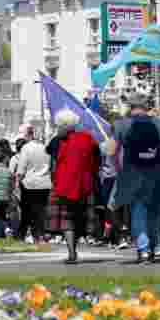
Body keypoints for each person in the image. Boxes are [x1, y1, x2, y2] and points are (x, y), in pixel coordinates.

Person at [112, 93, 160, 264]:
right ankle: (155, 246)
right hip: (156, 173)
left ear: (130, 107)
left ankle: (143, 248)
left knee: (137, 211)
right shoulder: (159, 123)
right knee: (155, 212)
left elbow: (112, 152)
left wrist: (119, 170)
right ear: (147, 105)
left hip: (132, 173)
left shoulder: (121, 125)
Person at [47, 108, 100, 264]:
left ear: (62, 126)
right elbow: (97, 160)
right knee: (78, 218)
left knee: (68, 220)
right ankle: (73, 250)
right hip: (85, 184)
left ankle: (72, 253)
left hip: (63, 185)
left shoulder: (57, 141)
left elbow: (51, 158)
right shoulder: (88, 139)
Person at [14, 125, 51, 245]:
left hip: (29, 183)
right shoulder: (45, 147)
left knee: (27, 211)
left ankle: (22, 235)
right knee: (41, 211)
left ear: (28, 135)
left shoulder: (26, 148)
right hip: (44, 183)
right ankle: (40, 235)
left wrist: (16, 182)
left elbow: (21, 168)